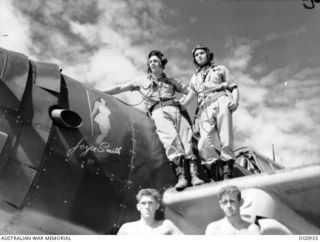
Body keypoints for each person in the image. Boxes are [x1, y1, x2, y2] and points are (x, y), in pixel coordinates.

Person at [104, 50, 204, 191]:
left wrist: (184, 104)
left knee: (187, 140)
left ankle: (195, 176)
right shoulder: (141, 81)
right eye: (150, 61)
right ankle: (182, 177)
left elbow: (192, 92)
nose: (152, 63)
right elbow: (121, 87)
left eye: (156, 61)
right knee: (171, 142)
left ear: (162, 64)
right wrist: (102, 92)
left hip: (176, 110)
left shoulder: (171, 81)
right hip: (158, 112)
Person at [180, 44, 239, 181]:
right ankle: (213, 175)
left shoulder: (220, 69)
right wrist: (177, 104)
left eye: (201, 53)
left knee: (226, 138)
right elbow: (189, 96)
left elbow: (233, 87)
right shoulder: (194, 78)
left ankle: (227, 175)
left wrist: (235, 101)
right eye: (196, 55)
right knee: (203, 143)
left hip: (221, 100)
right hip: (204, 108)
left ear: (207, 54)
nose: (199, 56)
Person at [117, 188, 183, 235]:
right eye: (143, 203)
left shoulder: (167, 226)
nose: (147, 207)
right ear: (138, 207)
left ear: (157, 206)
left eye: (150, 203)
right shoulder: (126, 229)